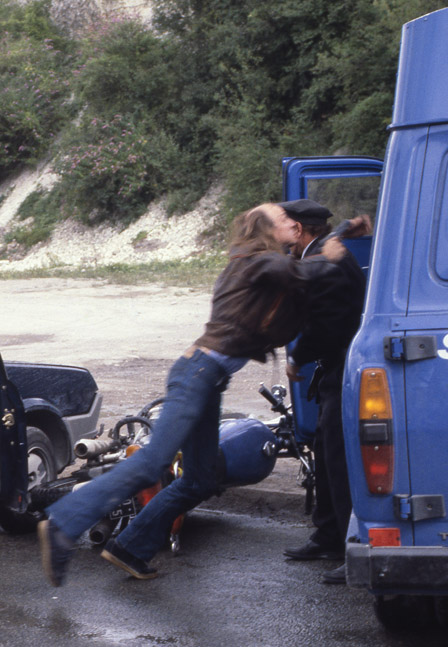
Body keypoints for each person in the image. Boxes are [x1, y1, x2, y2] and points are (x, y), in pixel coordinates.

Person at [39, 202, 349, 586]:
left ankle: (131, 547)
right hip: (196, 375)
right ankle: (63, 523)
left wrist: (346, 230)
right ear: (266, 229)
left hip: (209, 379)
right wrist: (330, 254)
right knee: (152, 462)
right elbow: (301, 272)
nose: (293, 222)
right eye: (284, 219)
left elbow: (293, 283)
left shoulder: (258, 262)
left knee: (200, 479)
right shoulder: (255, 262)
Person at [277, 199, 367, 585]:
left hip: (345, 369)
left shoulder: (327, 261)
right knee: (326, 452)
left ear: (299, 230)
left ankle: (351, 546)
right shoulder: (324, 250)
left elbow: (327, 325)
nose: (278, 233)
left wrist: (297, 357)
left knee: (340, 460)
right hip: (336, 368)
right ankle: (329, 535)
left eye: (283, 225)